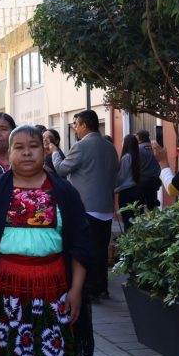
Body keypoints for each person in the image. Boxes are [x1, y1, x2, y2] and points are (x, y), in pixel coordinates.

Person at [0, 125, 92, 356]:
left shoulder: (65, 192)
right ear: (9, 154)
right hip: (5, 295)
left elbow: (81, 245)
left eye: (33, 146)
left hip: (56, 293)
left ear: (44, 150)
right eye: (19, 147)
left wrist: (76, 290)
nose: (27, 153)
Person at [51, 110, 118, 301]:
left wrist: (55, 153)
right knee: (101, 250)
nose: (74, 128)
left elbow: (62, 169)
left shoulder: (82, 145)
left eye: (75, 124)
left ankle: (89, 289)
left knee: (87, 250)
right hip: (105, 206)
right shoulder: (109, 146)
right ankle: (101, 288)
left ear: (84, 125)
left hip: (87, 206)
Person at [116, 134, 142, 230]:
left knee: (127, 221)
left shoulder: (126, 157)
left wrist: (114, 188)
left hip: (126, 193)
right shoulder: (136, 157)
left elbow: (121, 177)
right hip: (136, 190)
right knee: (135, 221)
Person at [135, 129, 161, 210]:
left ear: (140, 138)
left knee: (140, 207)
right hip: (154, 181)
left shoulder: (138, 149)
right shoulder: (155, 148)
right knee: (152, 206)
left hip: (142, 182)